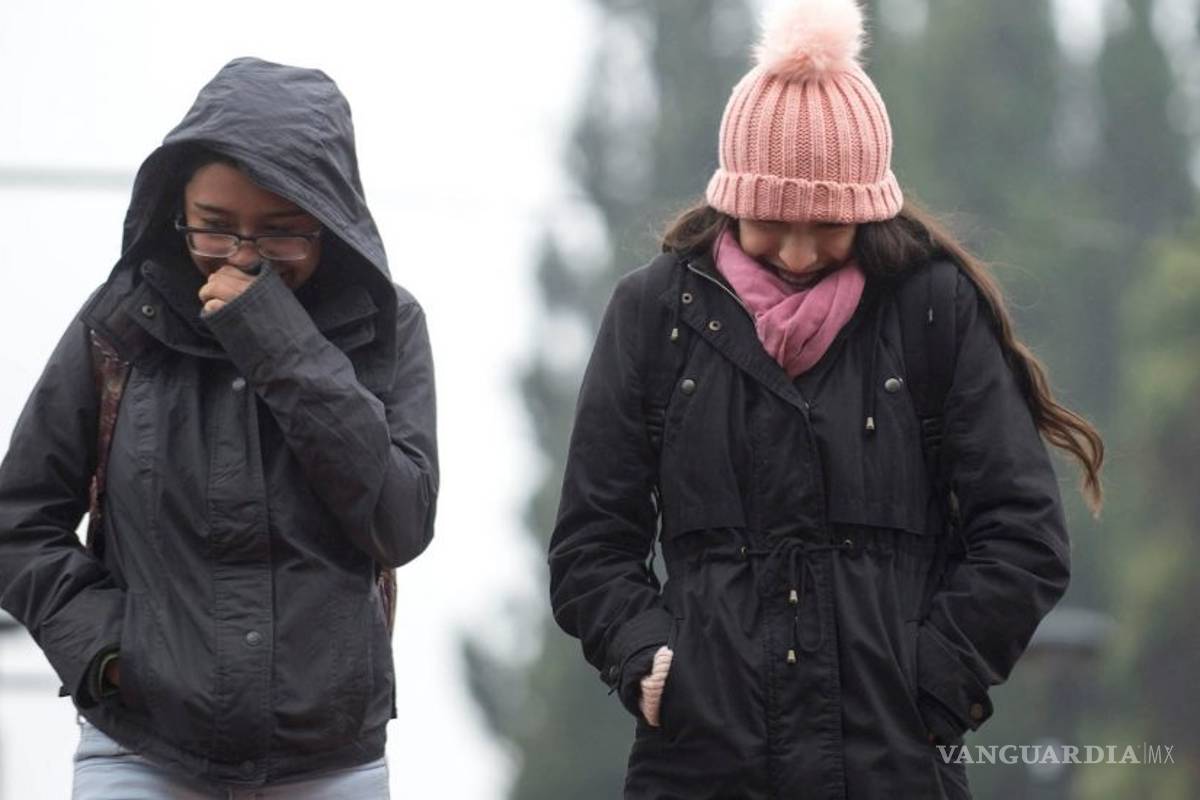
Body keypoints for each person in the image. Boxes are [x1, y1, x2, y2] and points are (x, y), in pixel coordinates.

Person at [547, 2, 1104, 798]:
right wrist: (649, 663)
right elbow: (591, 545)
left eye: (829, 225)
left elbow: (1022, 534)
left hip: (894, 765)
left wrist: (935, 683)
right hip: (702, 767)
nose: (800, 252)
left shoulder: (932, 310)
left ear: (870, 209)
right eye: (773, 222)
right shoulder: (652, 316)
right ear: (731, 196)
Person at [0, 57, 438, 798]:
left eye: (279, 234)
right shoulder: (117, 323)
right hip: (142, 750)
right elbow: (18, 521)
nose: (241, 256)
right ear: (178, 210)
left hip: (331, 761)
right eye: (214, 227)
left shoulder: (385, 326)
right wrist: (111, 654)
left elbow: (399, 522)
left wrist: (275, 338)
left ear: (329, 222)